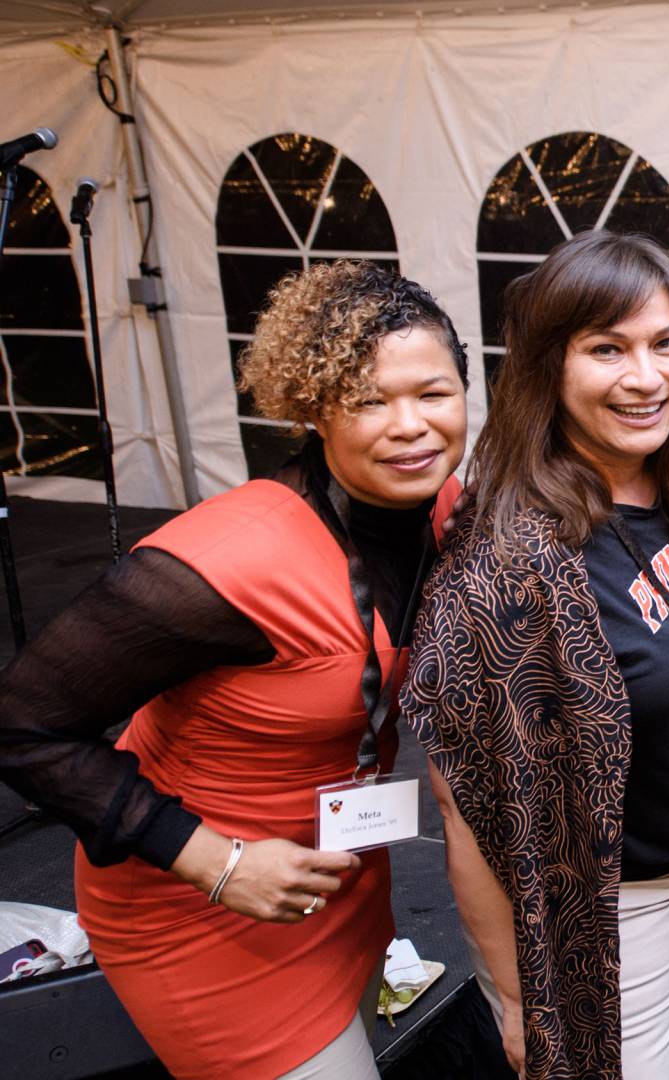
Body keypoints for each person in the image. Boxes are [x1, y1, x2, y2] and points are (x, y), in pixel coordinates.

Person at [0, 261, 467, 1078]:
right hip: (201, 906)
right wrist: (215, 862)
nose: (411, 426)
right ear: (313, 410)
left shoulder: (440, 508)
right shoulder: (228, 561)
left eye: (434, 393)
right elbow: (21, 724)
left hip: (336, 879)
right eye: (369, 401)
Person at [401, 231, 669, 1079]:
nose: (646, 378)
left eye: (666, 344)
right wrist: (516, 994)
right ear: (548, 366)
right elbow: (465, 801)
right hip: (610, 893)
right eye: (608, 349)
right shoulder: (508, 558)